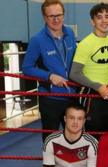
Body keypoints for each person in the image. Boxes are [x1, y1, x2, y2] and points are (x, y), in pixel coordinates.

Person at [22, 0, 77, 142]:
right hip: (50, 99)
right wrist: (49, 75)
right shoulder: (37, 40)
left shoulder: (70, 33)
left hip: (72, 97)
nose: (56, 19)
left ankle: (71, 165)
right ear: (45, 17)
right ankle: (49, 165)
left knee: (74, 138)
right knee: (50, 140)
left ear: (63, 15)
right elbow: (27, 68)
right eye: (51, 16)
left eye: (59, 15)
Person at [70, 2, 108, 135]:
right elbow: (74, 73)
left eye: (107, 16)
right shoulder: (85, 43)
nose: (104, 20)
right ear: (92, 21)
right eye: (99, 17)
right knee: (92, 136)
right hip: (91, 95)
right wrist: (98, 87)